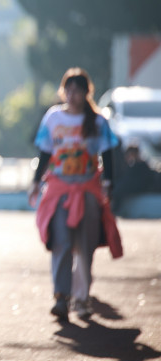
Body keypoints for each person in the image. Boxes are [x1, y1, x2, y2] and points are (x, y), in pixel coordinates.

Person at [28, 67, 123, 322]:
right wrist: (36, 182)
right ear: (63, 91)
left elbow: (108, 153)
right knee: (61, 243)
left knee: (85, 246)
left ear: (86, 93)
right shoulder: (53, 117)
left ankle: (82, 299)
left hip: (88, 188)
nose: (72, 95)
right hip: (59, 188)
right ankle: (61, 297)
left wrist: (108, 183)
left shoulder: (98, 121)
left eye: (77, 90)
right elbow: (45, 152)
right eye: (68, 90)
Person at [111, 143, 161, 214]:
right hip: (134, 186)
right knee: (117, 190)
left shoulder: (141, 165)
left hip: (139, 186)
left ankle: (114, 210)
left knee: (117, 190)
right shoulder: (134, 165)